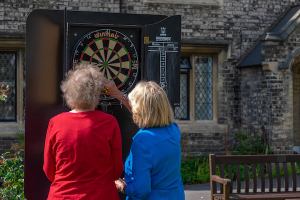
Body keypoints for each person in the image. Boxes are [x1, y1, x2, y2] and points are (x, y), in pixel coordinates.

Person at [43, 65, 123, 200]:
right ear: (97, 93)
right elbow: (116, 171)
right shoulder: (109, 122)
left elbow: (49, 171)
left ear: (68, 92)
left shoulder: (55, 123)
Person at [104, 79, 185, 200]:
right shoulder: (173, 129)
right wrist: (117, 93)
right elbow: (151, 111)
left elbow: (141, 190)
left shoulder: (142, 140)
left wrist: (121, 186)